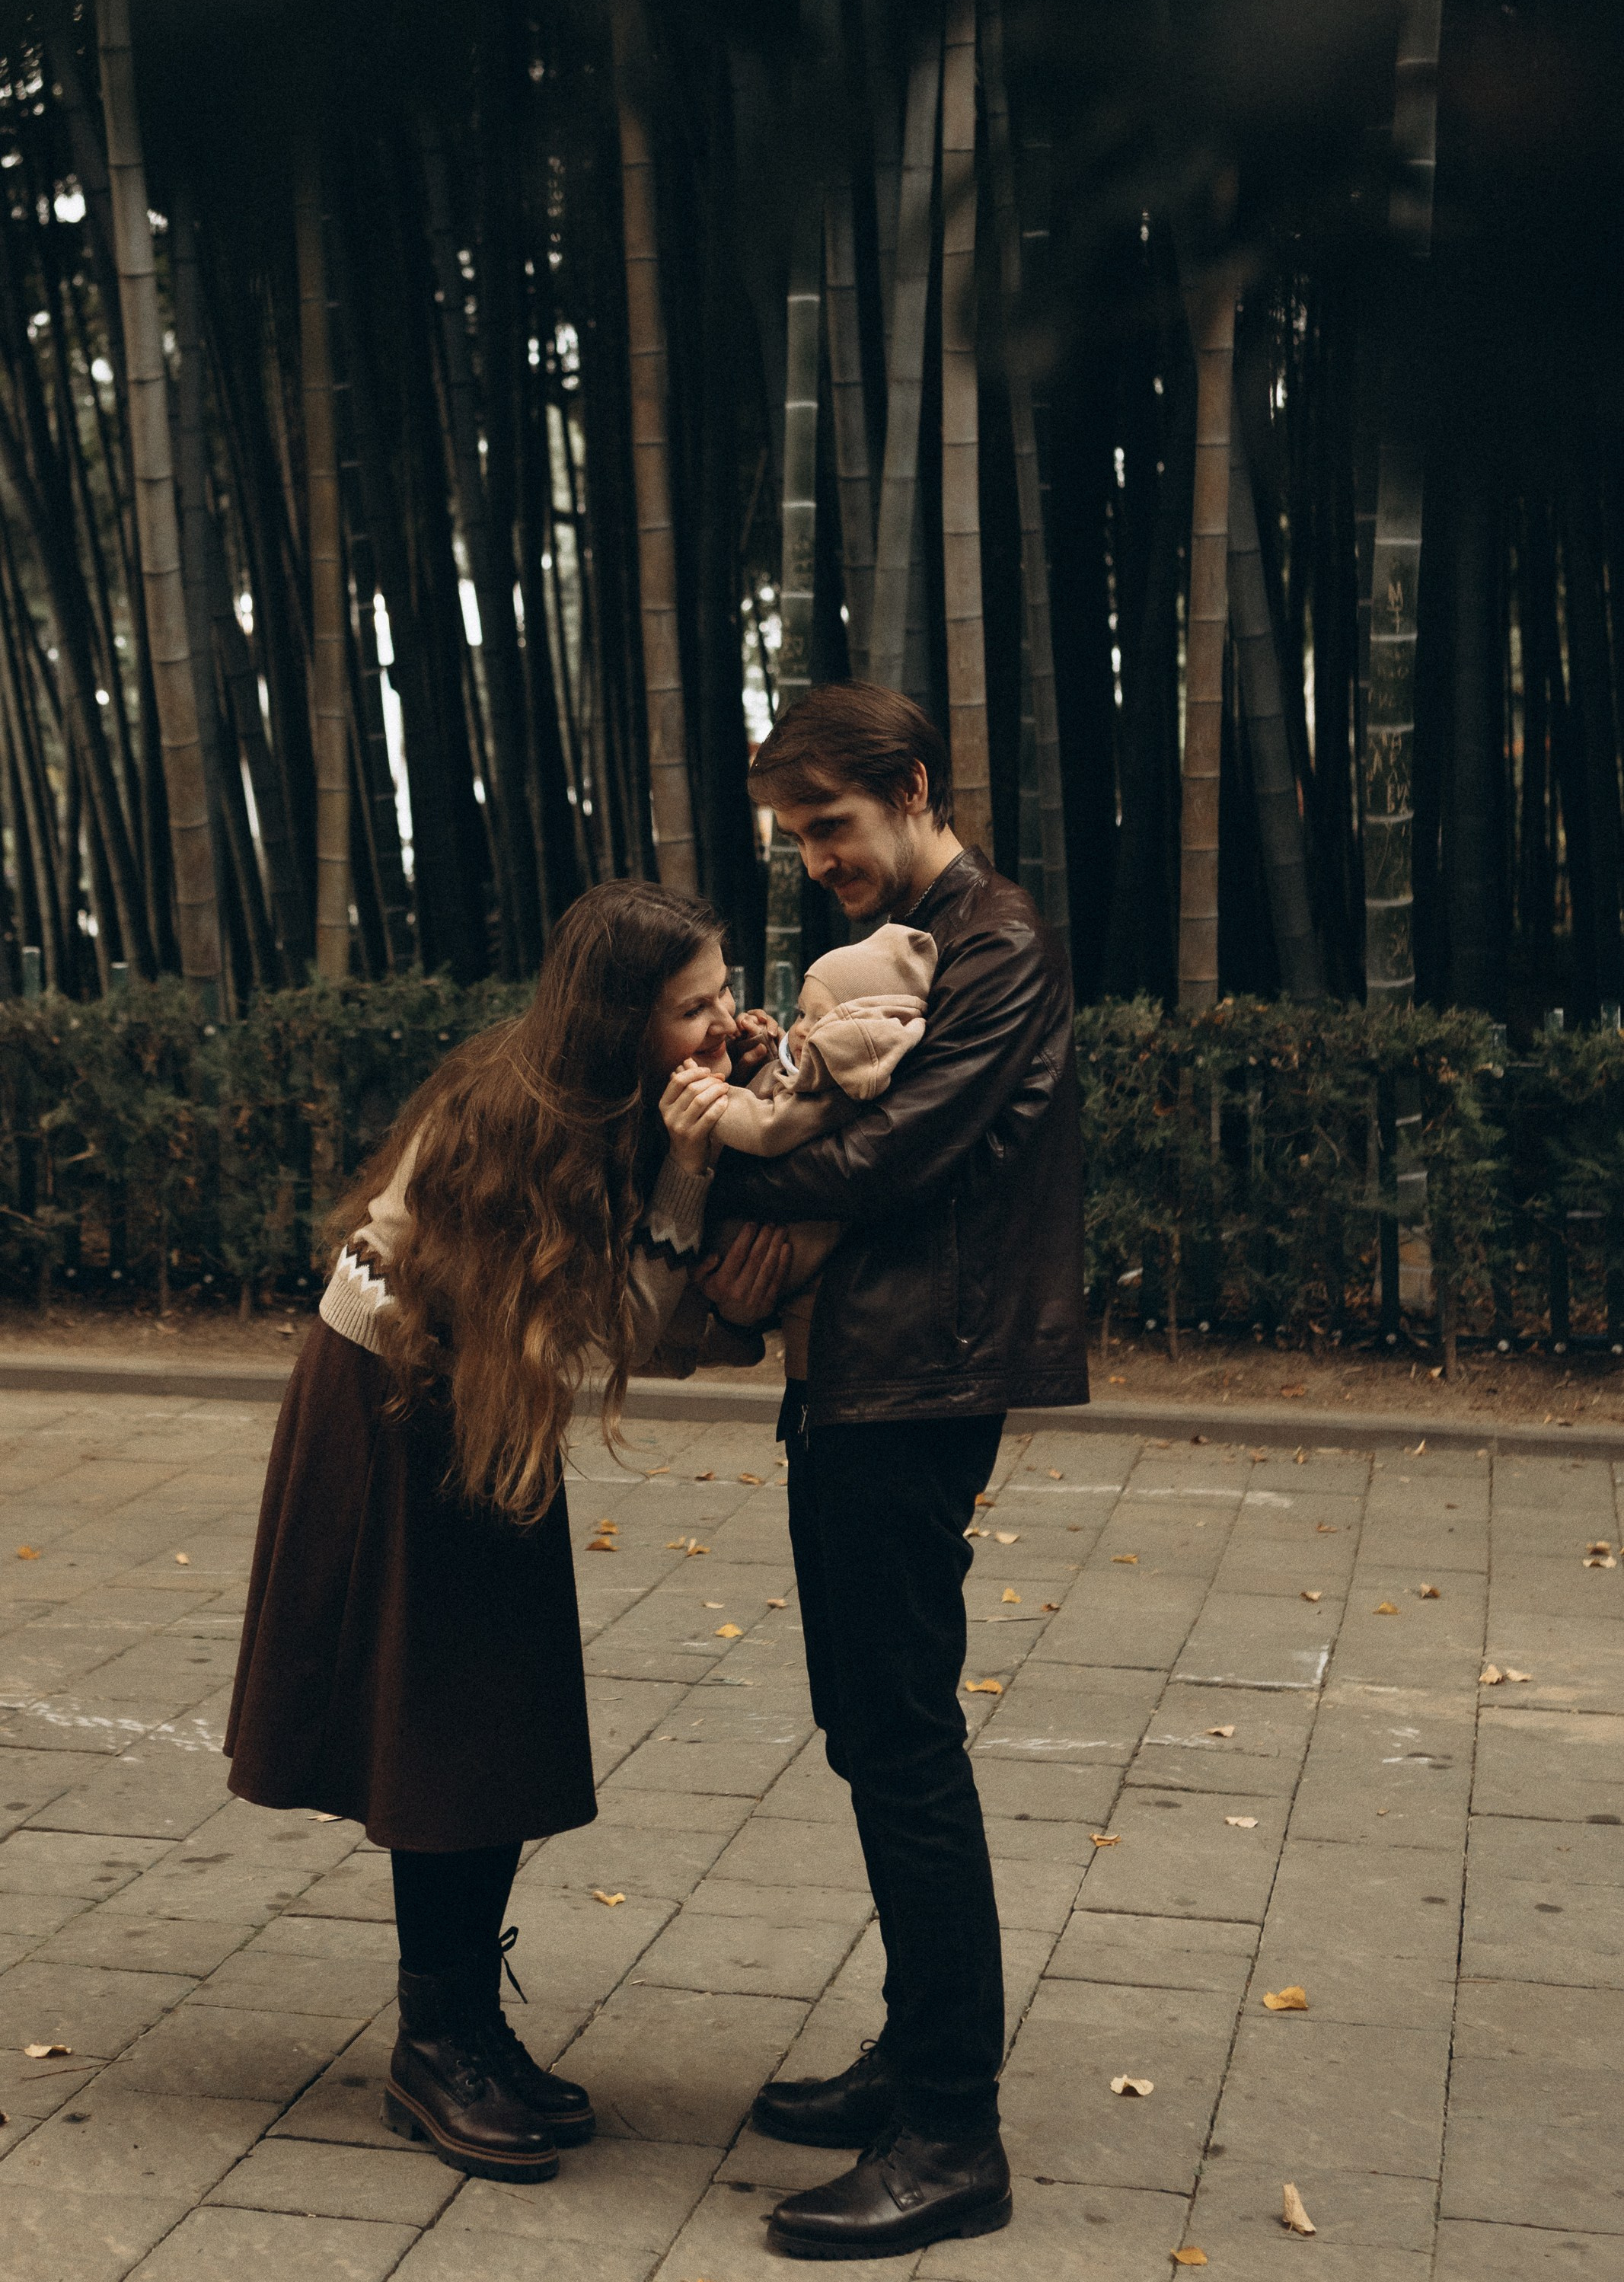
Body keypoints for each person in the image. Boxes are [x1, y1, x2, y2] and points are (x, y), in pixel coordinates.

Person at [225, 882, 788, 2187]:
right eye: (692, 1005)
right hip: (396, 1409)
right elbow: (637, 1326)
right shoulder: (519, 1116)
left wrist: (716, 1108)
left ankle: (464, 2025)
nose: (720, 1021)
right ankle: (436, 2050)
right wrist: (699, 1153)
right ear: (618, 1016)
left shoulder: (611, 1100)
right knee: (444, 1728)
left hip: (479, 1412)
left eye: (721, 992)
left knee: (489, 1722)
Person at [712, 682, 1088, 2261]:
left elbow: (890, 1154)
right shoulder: (920, 944)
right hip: (863, 1367)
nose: (814, 862)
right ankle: (916, 2050)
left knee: (904, 1732)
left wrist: (746, 1129)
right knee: (869, 1723)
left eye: (833, 827)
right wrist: (781, 1070)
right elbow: (852, 1115)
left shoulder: (991, 943)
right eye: (794, 840)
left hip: (920, 1381)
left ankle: (950, 2130)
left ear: (913, 789)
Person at [678, 921, 939, 1380]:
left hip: (794, 1245)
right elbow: (783, 1080)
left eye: (817, 1021)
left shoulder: (839, 1086)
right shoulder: (824, 1065)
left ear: (854, 1032)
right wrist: (761, 1048)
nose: (799, 1032)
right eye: (800, 1014)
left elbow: (767, 1127)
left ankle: (725, 1333)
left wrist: (709, 1094)